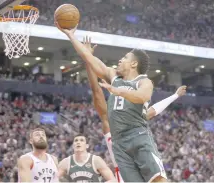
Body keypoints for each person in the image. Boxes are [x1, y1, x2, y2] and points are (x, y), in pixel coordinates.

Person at [55, 24, 174, 182]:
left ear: (134, 64)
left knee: (157, 180)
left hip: (137, 135)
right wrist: (71, 35)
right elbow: (90, 59)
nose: (120, 59)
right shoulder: (113, 76)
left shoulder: (143, 81)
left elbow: (142, 96)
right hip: (118, 143)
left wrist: (118, 91)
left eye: (125, 58)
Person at [82, 37, 187, 182]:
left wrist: (174, 96)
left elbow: (152, 110)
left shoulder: (136, 116)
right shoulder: (109, 122)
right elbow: (96, 92)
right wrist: (89, 60)